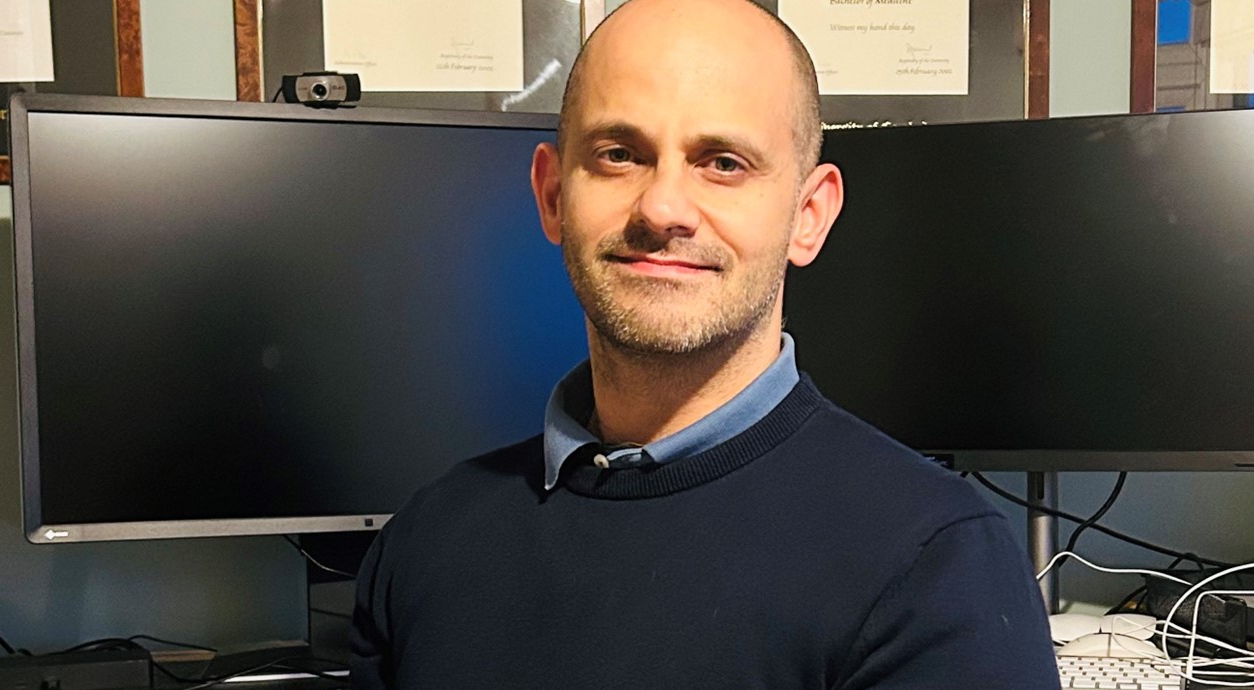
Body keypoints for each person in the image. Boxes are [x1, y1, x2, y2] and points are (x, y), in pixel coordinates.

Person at [349, 0, 1058, 687]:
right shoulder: (425, 544)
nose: (662, 208)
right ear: (553, 197)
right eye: (620, 153)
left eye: (722, 162)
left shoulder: (937, 569)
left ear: (808, 216)